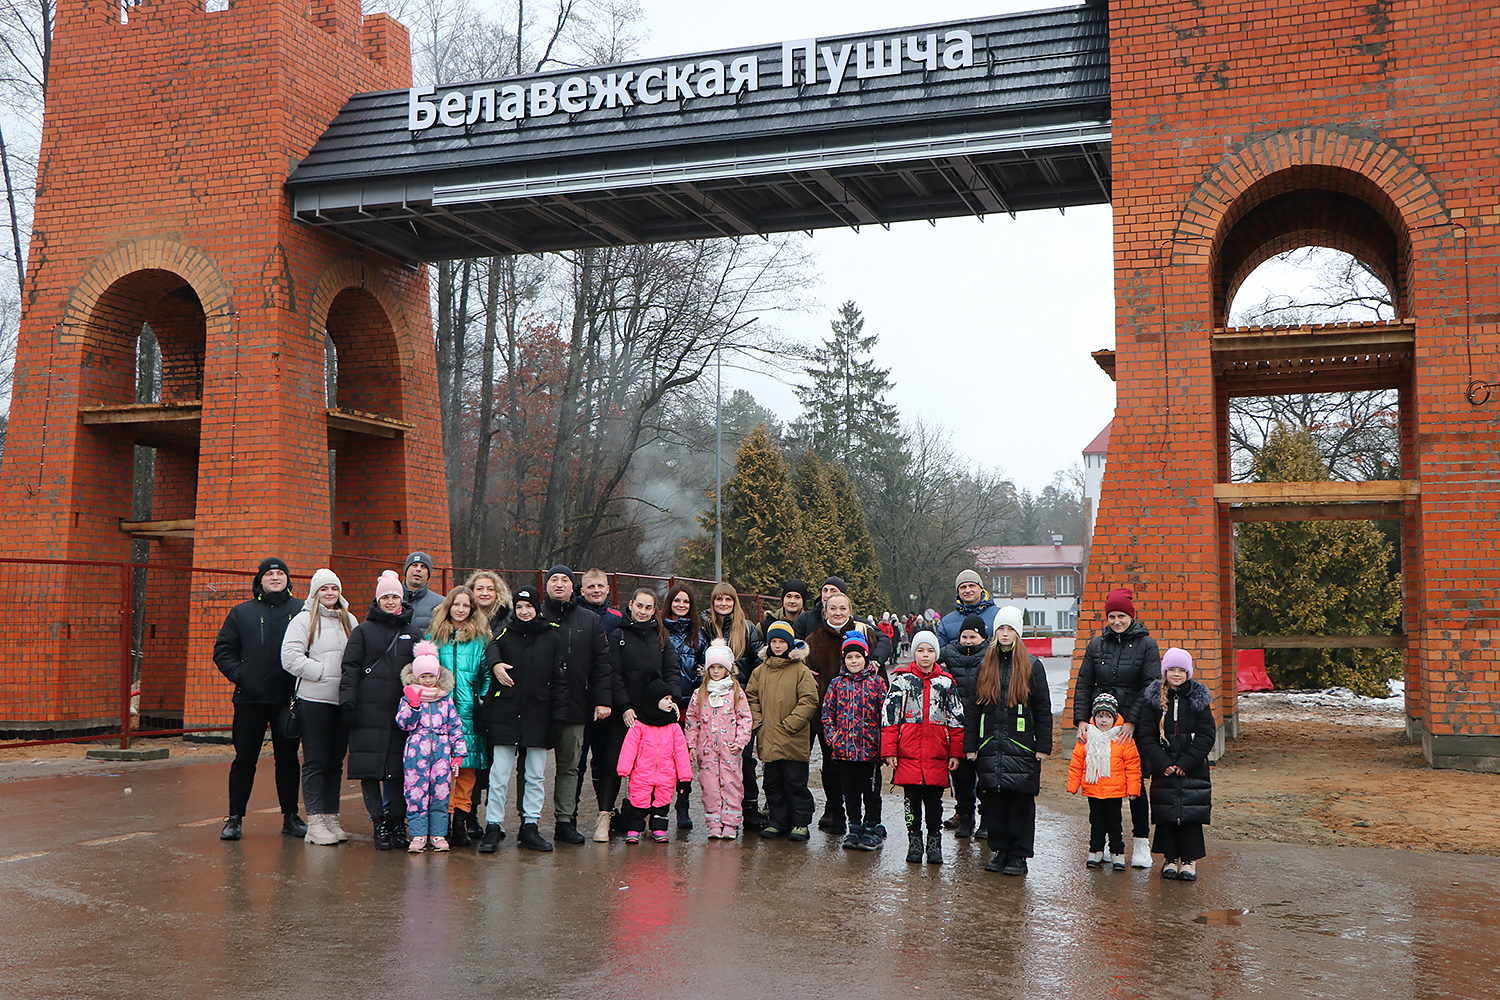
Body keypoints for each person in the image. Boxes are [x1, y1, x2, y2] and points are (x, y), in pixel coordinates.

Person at [213, 556, 306, 841]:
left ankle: (290, 816)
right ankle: (235, 818)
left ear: (288, 580)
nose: (275, 578)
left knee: (288, 759)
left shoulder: (302, 611)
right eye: (269, 574)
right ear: (260, 581)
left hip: (287, 700)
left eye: (280, 573)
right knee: (244, 759)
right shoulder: (242, 613)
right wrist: (243, 676)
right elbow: (223, 651)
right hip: (249, 699)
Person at [1071, 586, 1162, 868]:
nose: (1117, 621)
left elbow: (1151, 685)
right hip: (1101, 722)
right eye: (1112, 616)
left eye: (1122, 615)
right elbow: (1084, 683)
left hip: (1135, 722)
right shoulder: (1096, 645)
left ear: (1131, 616)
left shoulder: (1147, 645)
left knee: (1135, 782)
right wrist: (1082, 719)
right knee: (1100, 782)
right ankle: (1105, 843)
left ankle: (1141, 844)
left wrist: (1132, 721)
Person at [478, 587, 566, 854]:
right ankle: (493, 825)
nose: (524, 612)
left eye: (528, 606)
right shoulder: (506, 634)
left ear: (537, 608)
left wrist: (558, 718)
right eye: (519, 607)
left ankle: (530, 826)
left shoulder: (552, 636)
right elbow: (491, 647)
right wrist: (495, 664)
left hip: (539, 713)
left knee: (535, 775)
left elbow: (560, 682)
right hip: (506, 713)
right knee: (499, 775)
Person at [966, 606, 1052, 876]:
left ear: (1018, 632)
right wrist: (971, 745)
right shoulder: (985, 664)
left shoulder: (1032, 666)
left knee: (1021, 802)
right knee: (995, 800)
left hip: (1022, 746)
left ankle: (1019, 854)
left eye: (1010, 629)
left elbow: (1042, 710)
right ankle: (1000, 849)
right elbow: (973, 708)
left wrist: (1043, 746)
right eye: (1001, 629)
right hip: (990, 745)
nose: (1005, 634)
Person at [340, 570, 420, 850]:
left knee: (399, 770)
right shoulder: (362, 631)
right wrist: (348, 703)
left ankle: (398, 822)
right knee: (370, 770)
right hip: (367, 711)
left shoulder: (412, 633)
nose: (390, 601)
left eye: (394, 596)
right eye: (385, 596)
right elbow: (349, 668)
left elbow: (421, 673)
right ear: (378, 599)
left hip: (402, 714)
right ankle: (379, 824)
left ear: (401, 599)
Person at [280, 568, 358, 846]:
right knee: (316, 761)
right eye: (324, 589)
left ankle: (331, 816)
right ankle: (314, 821)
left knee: (335, 763)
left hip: (342, 701)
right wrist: (323, 671)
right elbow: (289, 657)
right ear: (315, 593)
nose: (329, 594)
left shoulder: (349, 619)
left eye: (334, 589)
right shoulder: (303, 621)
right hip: (314, 701)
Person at [803, 590, 890, 833]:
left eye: (843, 608)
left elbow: (879, 677)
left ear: (850, 610)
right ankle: (836, 813)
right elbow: (801, 671)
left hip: (865, 724)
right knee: (832, 768)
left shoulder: (866, 633)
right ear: (825, 611)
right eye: (833, 608)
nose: (838, 612)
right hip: (829, 717)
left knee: (866, 778)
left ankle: (871, 822)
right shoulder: (813, 639)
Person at [540, 564, 612, 845]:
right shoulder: (534, 615)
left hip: (576, 705)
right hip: (540, 705)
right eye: (554, 580)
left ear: (574, 588)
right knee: (530, 768)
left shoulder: (590, 620)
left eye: (565, 580)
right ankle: (528, 823)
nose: (559, 584)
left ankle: (565, 821)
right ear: (547, 585)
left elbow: (602, 664)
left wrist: (602, 700)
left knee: (570, 766)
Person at [881, 630, 964, 866]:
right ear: (913, 653)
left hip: (937, 754)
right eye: (920, 650)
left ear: (936, 654)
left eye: (930, 651)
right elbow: (890, 718)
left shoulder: (946, 684)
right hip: (908, 754)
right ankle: (914, 840)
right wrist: (889, 751)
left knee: (935, 803)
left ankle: (934, 841)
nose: (925, 656)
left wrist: (955, 753)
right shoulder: (901, 681)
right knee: (911, 801)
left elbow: (956, 721)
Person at [595, 589, 671, 842]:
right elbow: (613, 673)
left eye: (648, 608)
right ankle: (604, 817)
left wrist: (668, 701)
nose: (643, 611)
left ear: (654, 610)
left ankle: (647, 819)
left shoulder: (661, 637)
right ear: (631, 605)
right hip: (624, 713)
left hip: (654, 716)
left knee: (650, 770)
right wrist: (625, 706)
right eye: (639, 605)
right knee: (612, 764)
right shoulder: (618, 635)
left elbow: (671, 671)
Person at [1136, 648, 1215, 882]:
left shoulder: (1198, 698)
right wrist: (1162, 763)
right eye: (1172, 669)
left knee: (1190, 814)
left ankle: (1188, 860)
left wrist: (1186, 763)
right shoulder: (1153, 699)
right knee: (1167, 813)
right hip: (1165, 768)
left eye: (1181, 670)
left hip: (1192, 769)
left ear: (1188, 672)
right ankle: (1170, 859)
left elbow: (1206, 734)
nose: (1176, 674)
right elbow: (1146, 736)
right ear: (1165, 671)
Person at [427, 585, 491, 847]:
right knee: (442, 771)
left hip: (469, 712)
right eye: (457, 604)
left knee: (466, 770)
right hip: (440, 713)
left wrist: (483, 697)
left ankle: (461, 822)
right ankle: (444, 820)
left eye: (466, 605)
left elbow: (487, 673)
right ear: (448, 607)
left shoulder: (481, 638)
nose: (461, 609)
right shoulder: (433, 637)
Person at [746, 621, 819, 841]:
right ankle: (778, 820)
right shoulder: (760, 671)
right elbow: (751, 698)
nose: (777, 646)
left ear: (789, 643)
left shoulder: (800, 670)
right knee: (772, 783)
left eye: (782, 642)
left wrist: (791, 724)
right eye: (774, 642)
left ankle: (800, 822)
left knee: (795, 783)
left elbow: (809, 699)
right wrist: (758, 722)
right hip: (768, 736)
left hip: (792, 738)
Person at [702, 582, 763, 832]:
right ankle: (716, 816)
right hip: (710, 700)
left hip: (739, 698)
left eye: (728, 599)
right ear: (713, 602)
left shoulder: (747, 629)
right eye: (719, 599)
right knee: (711, 765)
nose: (723, 604)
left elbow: (760, 658)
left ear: (735, 602)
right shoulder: (705, 627)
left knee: (743, 759)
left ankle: (748, 808)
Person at [396, 642, 467, 853]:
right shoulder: (408, 698)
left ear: (437, 676)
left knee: (441, 793)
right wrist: (414, 706)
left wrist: (459, 753)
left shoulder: (445, 699)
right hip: (416, 751)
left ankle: (438, 834)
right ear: (416, 677)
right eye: (423, 676)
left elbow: (455, 726)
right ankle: (418, 835)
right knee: (415, 793)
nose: (427, 681)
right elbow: (403, 724)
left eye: (431, 676)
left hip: (442, 753)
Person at [819, 632, 887, 851]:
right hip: (844, 751)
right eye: (849, 657)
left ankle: (871, 828)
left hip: (870, 751)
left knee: (871, 793)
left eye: (858, 656)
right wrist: (834, 739)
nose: (854, 661)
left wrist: (883, 745)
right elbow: (827, 714)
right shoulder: (836, 685)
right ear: (844, 660)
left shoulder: (877, 683)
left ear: (865, 657)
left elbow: (886, 716)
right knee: (850, 792)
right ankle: (854, 826)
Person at [684, 640, 754, 839]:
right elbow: (692, 720)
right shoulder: (699, 694)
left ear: (727, 669)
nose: (715, 671)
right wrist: (691, 745)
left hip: (730, 749)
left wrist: (740, 742)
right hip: (707, 750)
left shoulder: (736, 693)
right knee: (709, 785)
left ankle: (730, 823)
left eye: (720, 667)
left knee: (732, 783)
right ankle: (714, 822)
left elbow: (745, 718)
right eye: (712, 667)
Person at [1066, 692, 1143, 870]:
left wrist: (1133, 789)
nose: (1103, 720)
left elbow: (1133, 765)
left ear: (1114, 718)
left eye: (1108, 716)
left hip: (1114, 790)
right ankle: (1095, 851)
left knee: (1115, 822)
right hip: (1093, 788)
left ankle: (1117, 853)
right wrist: (1073, 785)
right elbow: (1076, 763)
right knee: (1096, 821)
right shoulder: (1086, 737)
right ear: (1094, 717)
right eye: (1100, 716)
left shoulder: (1122, 738)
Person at [615, 679, 693, 844]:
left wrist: (685, 775)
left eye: (671, 699)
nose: (670, 702)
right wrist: (624, 768)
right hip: (642, 772)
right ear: (654, 700)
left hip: (666, 774)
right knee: (638, 800)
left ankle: (659, 828)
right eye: (665, 699)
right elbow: (629, 747)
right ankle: (634, 829)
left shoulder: (673, 726)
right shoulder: (640, 725)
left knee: (662, 802)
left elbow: (681, 752)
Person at [938, 614, 988, 838]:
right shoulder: (949, 654)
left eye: (973, 636)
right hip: (958, 725)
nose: (968, 641)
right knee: (963, 777)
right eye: (964, 636)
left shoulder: (990, 655)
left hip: (985, 724)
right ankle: (965, 817)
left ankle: (987, 819)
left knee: (986, 778)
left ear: (982, 638)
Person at [935, 569, 1002, 648]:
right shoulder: (946, 622)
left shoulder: (999, 616)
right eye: (963, 587)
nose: (967, 590)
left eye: (972, 586)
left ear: (981, 588)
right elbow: (940, 654)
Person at [402, 551, 443, 633]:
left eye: (423, 567)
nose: (418, 569)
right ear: (406, 570)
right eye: (414, 565)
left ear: (428, 574)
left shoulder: (441, 604)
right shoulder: (390, 599)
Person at [464, 569, 513, 638]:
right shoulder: (463, 616)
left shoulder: (509, 619)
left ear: (497, 592)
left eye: (490, 589)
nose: (485, 593)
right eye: (479, 589)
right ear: (471, 591)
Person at [578, 568, 624, 634]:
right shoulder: (573, 616)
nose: (596, 590)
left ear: (607, 589)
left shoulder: (617, 617)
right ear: (582, 591)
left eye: (600, 586)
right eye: (591, 587)